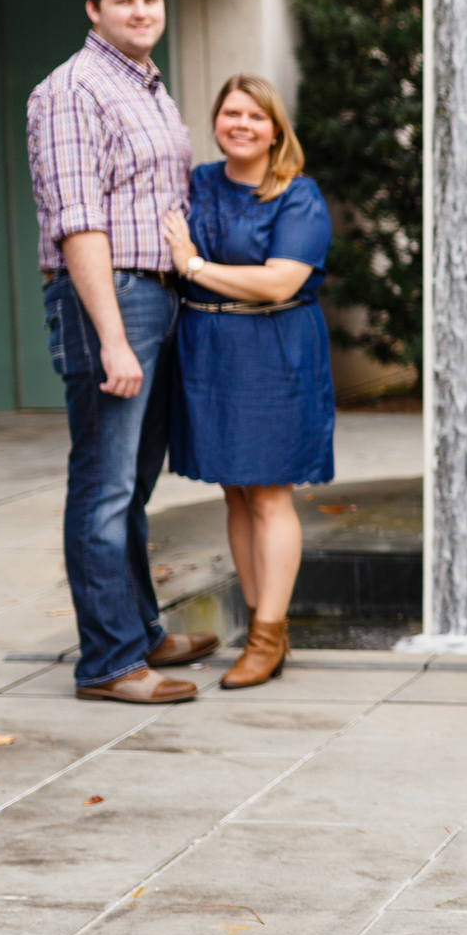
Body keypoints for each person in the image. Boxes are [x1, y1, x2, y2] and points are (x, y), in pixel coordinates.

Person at [28, 0, 212, 705]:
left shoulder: (148, 88)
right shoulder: (73, 91)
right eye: (125, 0)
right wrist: (109, 334)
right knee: (103, 485)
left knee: (133, 483)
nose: (142, 11)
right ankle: (107, 662)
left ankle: (140, 630)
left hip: (158, 294)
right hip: (111, 298)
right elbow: (79, 224)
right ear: (93, 9)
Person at [158, 74, 336, 692]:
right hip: (207, 351)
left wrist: (195, 265)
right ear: (216, 121)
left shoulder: (297, 195)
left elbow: (279, 283)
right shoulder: (197, 182)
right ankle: (266, 633)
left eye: (254, 117)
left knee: (268, 495)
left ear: (275, 129)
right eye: (230, 113)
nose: (241, 124)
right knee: (235, 493)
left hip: (273, 349)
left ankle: (267, 633)